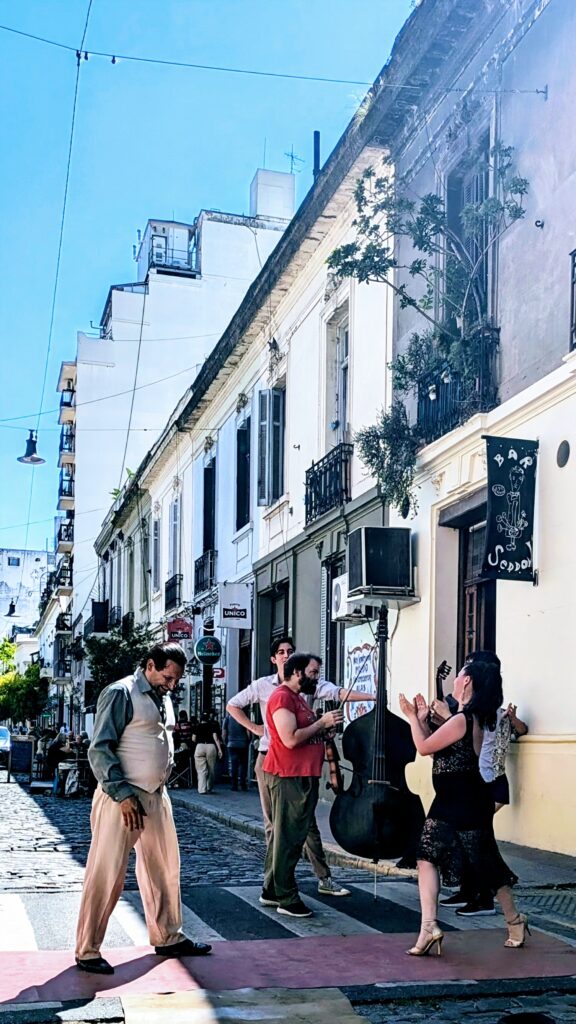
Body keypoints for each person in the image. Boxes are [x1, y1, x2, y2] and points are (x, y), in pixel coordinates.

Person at [74, 642, 212, 975]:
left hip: (156, 794)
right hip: (123, 797)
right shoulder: (120, 693)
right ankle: (87, 949)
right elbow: (100, 749)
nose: (172, 684)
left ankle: (167, 936)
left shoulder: (162, 696)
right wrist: (122, 795)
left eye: (176, 679)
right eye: (168, 676)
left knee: (165, 868)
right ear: (150, 665)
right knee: (106, 873)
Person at [399, 659, 529, 956]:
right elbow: (436, 747)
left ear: (467, 682)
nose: (455, 681)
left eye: (459, 676)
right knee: (425, 856)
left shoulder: (463, 719)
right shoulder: (463, 718)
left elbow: (423, 747)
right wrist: (421, 719)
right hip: (449, 800)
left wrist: (410, 718)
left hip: (466, 800)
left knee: (486, 864)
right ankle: (428, 926)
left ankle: (515, 920)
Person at [226, 636, 372, 898]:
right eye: (280, 652)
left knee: (300, 827)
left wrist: (375, 696)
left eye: (289, 651)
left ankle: (307, 879)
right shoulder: (269, 689)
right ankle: (278, 885)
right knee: (278, 827)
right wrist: (256, 728)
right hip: (276, 762)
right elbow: (236, 706)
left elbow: (338, 692)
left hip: (298, 767)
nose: (285, 654)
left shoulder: (303, 692)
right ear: (276, 660)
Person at [430, 651, 528, 917]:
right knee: (471, 844)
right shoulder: (477, 713)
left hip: (488, 785)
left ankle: (486, 899)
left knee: (478, 846)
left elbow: (468, 738)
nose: (463, 676)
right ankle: (472, 892)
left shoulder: (490, 714)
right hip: (476, 787)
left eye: (469, 671)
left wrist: (449, 715)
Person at [263, 652, 344, 917]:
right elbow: (290, 738)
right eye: (312, 672)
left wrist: (322, 730)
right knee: (288, 839)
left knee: (286, 836)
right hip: (289, 776)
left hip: (301, 775)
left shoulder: (297, 699)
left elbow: (305, 734)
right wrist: (321, 722)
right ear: (296, 672)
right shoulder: (282, 697)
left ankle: (271, 890)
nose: (316, 678)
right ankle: (286, 897)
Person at [192, 710, 223, 793]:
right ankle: (209, 786)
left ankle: (202, 789)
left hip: (200, 746)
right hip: (211, 746)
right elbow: (215, 737)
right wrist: (219, 749)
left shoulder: (197, 726)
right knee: (211, 768)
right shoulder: (212, 726)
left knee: (201, 769)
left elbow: (193, 739)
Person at [222, 711, 251, 790]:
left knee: (234, 765)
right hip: (243, 744)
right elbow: (248, 731)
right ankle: (243, 784)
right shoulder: (243, 718)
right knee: (243, 764)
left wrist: (225, 742)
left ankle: (234, 785)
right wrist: (248, 740)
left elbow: (224, 732)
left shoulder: (227, 719)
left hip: (231, 744)